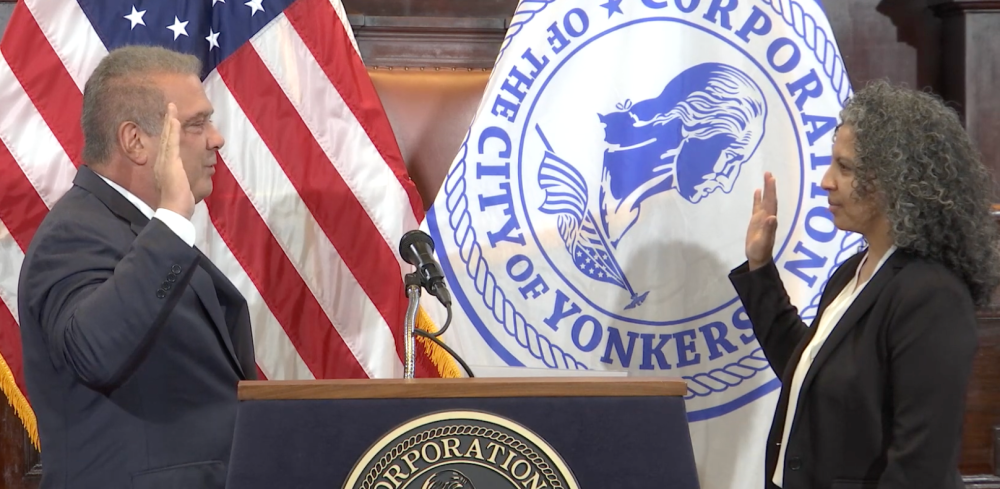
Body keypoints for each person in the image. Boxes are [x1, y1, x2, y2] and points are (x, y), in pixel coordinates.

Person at [729, 80, 1000, 489]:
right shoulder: (852, 272)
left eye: (846, 167)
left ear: (896, 180)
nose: (826, 181)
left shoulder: (931, 295)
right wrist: (760, 267)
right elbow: (807, 371)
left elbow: (919, 467)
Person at [17, 45, 256, 488]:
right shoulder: (72, 235)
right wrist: (171, 218)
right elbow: (94, 352)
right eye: (196, 124)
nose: (216, 138)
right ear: (136, 141)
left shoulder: (134, 230)